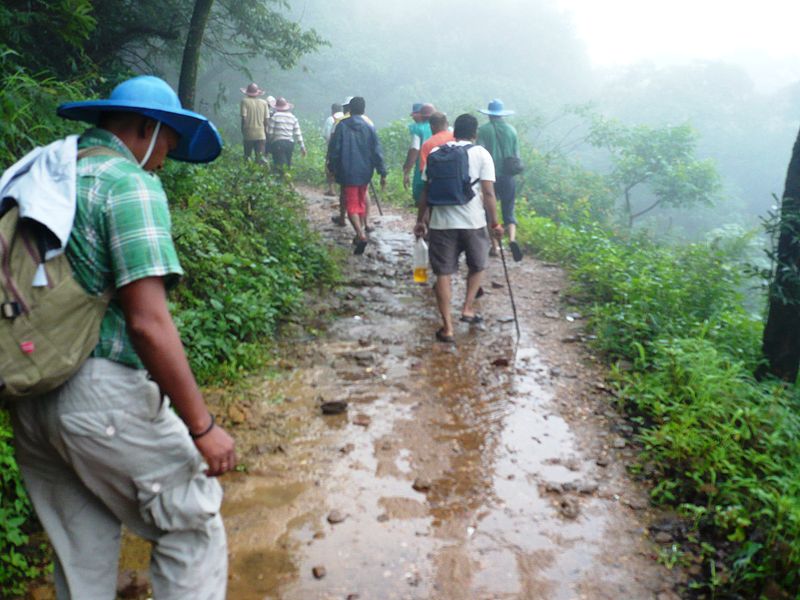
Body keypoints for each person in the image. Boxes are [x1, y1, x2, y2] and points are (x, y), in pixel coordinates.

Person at [10, 75, 235, 599]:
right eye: (169, 146)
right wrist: (202, 427)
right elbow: (147, 322)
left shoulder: (43, 174)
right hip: (100, 396)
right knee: (190, 528)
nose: (165, 161)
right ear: (146, 128)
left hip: (31, 395)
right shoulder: (127, 183)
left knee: (80, 556)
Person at [413, 113, 503, 343]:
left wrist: (421, 220)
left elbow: (426, 191)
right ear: (475, 134)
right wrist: (495, 223)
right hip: (473, 222)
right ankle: (467, 308)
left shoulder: (436, 153)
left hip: (441, 223)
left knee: (443, 273)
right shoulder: (482, 154)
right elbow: (489, 193)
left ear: (454, 132)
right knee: (478, 265)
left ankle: (448, 328)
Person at [327, 96, 387, 255]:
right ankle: (359, 231)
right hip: (365, 171)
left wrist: (331, 167)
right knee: (361, 200)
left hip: (347, 171)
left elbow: (335, 149)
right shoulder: (369, 127)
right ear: (364, 110)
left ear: (349, 110)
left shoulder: (342, 126)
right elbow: (377, 151)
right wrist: (382, 172)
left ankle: (360, 235)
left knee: (352, 205)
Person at [477, 98, 523, 261]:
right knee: (508, 209)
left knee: (490, 210)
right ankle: (511, 239)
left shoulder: (483, 130)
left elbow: (480, 152)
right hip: (508, 175)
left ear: (489, 114)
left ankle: (495, 246)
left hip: (490, 176)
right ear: (502, 114)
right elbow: (517, 155)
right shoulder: (512, 130)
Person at [403, 102, 435, 205]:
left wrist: (407, 170)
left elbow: (414, 149)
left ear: (420, 115)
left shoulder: (417, 129)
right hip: (440, 166)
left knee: (421, 194)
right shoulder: (443, 128)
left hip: (422, 165)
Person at [267, 96, 306, 171]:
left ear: (276, 107)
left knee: (280, 164)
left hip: (278, 143)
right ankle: (287, 179)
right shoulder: (293, 117)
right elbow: (298, 133)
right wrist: (302, 146)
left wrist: (270, 142)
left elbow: (270, 133)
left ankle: (282, 180)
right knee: (287, 163)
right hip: (290, 143)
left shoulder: (275, 117)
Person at [240, 82, 269, 162]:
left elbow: (244, 118)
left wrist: (243, 129)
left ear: (247, 93)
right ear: (257, 93)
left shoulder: (244, 101)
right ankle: (260, 173)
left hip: (248, 133)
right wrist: (266, 133)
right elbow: (266, 120)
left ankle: (248, 173)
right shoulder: (264, 103)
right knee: (259, 159)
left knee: (247, 157)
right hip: (261, 134)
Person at [323, 102, 344, 196]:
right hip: (344, 149)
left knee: (329, 167)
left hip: (333, 148)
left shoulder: (331, 119)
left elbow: (327, 135)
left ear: (332, 110)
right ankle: (342, 189)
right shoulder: (345, 118)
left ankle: (332, 189)